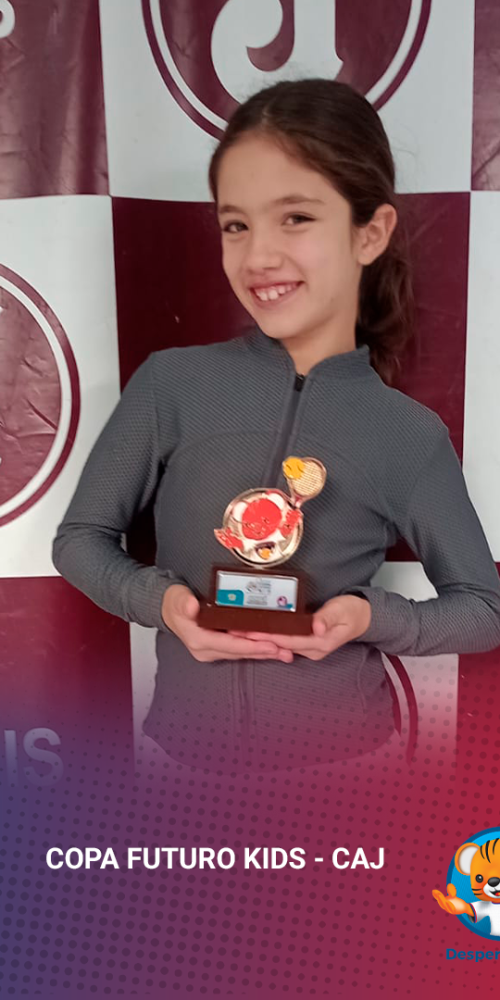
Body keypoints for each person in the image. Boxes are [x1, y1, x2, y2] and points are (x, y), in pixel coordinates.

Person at [52, 79, 500, 771]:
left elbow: (482, 610)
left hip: (348, 773)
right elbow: (80, 539)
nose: (258, 255)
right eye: (236, 224)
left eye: (295, 217)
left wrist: (370, 617)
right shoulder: (172, 384)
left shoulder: (406, 433)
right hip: (183, 768)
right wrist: (162, 602)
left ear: (370, 233)